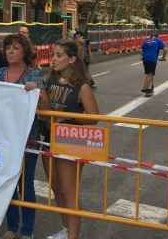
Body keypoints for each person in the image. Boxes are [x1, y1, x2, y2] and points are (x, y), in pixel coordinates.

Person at [0, 34, 47, 239]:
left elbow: (45, 107)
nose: (10, 51)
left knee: (25, 185)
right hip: (2, 140)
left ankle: (27, 230)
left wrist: (39, 92)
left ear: (24, 51)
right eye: (8, 48)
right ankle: (11, 227)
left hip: (27, 140)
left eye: (15, 48)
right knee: (5, 184)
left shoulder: (34, 74)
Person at [42, 40, 99, 239]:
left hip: (71, 142)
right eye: (53, 55)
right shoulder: (50, 80)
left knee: (69, 191)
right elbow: (47, 109)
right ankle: (67, 230)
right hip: (49, 138)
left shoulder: (81, 86)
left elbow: (94, 119)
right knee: (56, 188)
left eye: (59, 55)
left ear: (72, 59)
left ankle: (73, 236)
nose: (53, 59)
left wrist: (67, 119)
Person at [140, 31, 167, 96]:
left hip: (145, 59)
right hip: (152, 59)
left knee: (148, 74)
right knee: (150, 74)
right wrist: (163, 57)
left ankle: (148, 89)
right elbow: (165, 49)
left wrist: (144, 55)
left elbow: (140, 50)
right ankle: (145, 89)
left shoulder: (145, 41)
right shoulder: (158, 40)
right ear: (157, 36)